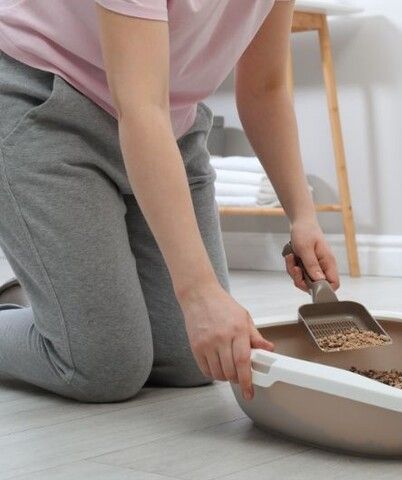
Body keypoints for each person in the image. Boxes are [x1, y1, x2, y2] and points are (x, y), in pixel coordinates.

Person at [0, 0, 339, 403]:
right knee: (104, 367)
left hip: (169, 129)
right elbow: (140, 108)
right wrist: (199, 294)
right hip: (45, 102)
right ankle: (67, 305)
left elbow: (265, 88)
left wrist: (302, 216)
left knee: (193, 361)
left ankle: (63, 298)